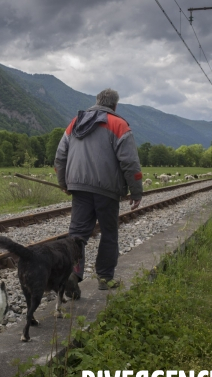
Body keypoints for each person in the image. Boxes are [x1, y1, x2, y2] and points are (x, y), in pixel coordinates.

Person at [55, 88, 143, 296]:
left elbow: (60, 155)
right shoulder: (118, 124)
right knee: (109, 233)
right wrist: (136, 192)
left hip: (79, 187)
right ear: (115, 105)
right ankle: (104, 278)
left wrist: (64, 183)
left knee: (77, 234)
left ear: (97, 102)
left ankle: (72, 274)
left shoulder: (75, 123)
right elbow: (130, 162)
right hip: (107, 190)